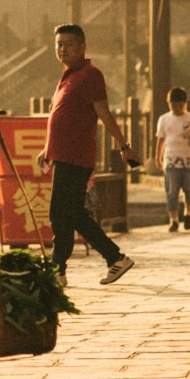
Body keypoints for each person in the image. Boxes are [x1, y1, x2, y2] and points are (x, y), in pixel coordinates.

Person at [35, 24, 135, 285]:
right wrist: (48, 149)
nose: (63, 49)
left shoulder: (90, 75)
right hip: (62, 155)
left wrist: (124, 146)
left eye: (68, 44)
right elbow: (64, 118)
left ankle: (112, 258)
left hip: (76, 157)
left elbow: (104, 114)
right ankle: (61, 270)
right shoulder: (67, 76)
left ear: (82, 46)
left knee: (64, 213)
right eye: (59, 44)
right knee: (66, 214)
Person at [154, 86, 190, 232]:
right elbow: (161, 139)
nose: (177, 108)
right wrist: (158, 157)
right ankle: (174, 220)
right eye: (173, 105)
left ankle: (189, 213)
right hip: (170, 159)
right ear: (169, 104)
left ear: (185, 104)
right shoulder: (164, 119)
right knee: (171, 192)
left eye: (180, 105)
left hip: (188, 160)